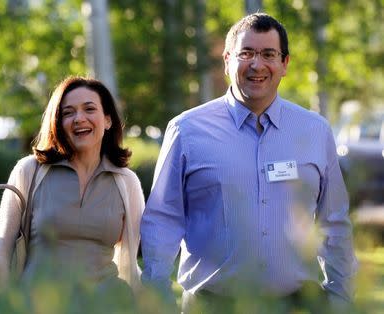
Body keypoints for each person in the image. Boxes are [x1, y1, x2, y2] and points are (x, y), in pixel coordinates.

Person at [140, 13, 357, 313]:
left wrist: (341, 299)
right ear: (227, 60)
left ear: (285, 64)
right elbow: (162, 220)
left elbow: (334, 223)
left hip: (297, 305)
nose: (257, 64)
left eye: (269, 54)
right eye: (246, 53)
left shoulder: (316, 132)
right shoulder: (187, 131)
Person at [0, 76, 144, 312]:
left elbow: (133, 261)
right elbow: (1, 253)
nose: (79, 118)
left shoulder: (126, 181)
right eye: (68, 112)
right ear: (58, 123)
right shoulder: (29, 171)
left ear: (108, 120)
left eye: (89, 109)